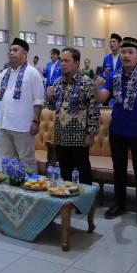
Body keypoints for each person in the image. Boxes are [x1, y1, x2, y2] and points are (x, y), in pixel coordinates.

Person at [95, 37, 137, 223]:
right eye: (123, 52)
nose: (126, 55)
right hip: (117, 130)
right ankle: (119, 204)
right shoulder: (114, 75)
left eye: (130, 52)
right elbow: (101, 98)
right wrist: (95, 86)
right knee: (119, 169)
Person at [0, 38, 45, 171]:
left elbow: (38, 100)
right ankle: (10, 184)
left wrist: (36, 121)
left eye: (15, 50)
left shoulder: (32, 73)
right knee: (7, 160)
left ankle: (30, 185)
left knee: (27, 161)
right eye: (10, 50)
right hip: (5, 125)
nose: (11, 52)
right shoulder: (4, 73)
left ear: (25, 53)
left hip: (24, 127)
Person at [44, 47, 100, 185]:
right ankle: (66, 197)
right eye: (61, 60)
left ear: (76, 63)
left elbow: (94, 109)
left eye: (66, 61)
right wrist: (49, 96)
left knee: (83, 171)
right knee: (65, 172)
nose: (63, 64)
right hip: (60, 135)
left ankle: (86, 198)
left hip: (79, 137)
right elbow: (51, 106)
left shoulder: (87, 82)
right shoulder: (57, 82)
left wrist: (91, 134)